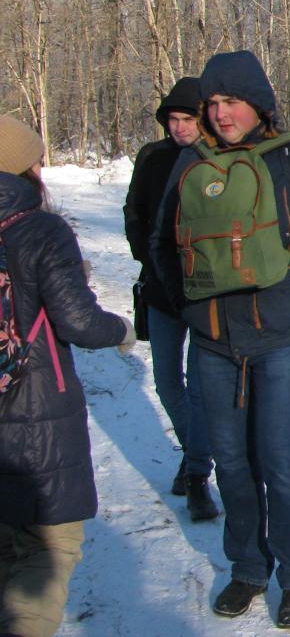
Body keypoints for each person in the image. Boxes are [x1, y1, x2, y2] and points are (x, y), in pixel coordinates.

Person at [151, 51, 290, 629]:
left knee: (282, 461)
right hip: (214, 344)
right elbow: (161, 245)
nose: (221, 114)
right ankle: (248, 567)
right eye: (213, 104)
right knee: (232, 462)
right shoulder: (192, 163)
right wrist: (190, 309)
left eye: (232, 102)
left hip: (284, 342)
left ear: (258, 104)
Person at [0, 114, 134, 637]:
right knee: (48, 549)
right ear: (24, 167)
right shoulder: (41, 229)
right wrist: (121, 328)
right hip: (36, 414)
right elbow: (77, 322)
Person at [122, 76, 218, 520]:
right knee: (166, 380)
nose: (179, 127)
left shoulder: (218, 160)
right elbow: (135, 212)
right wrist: (149, 258)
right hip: (160, 290)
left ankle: (197, 473)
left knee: (201, 388)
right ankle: (192, 453)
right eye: (173, 119)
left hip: (204, 293)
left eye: (188, 119)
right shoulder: (153, 157)